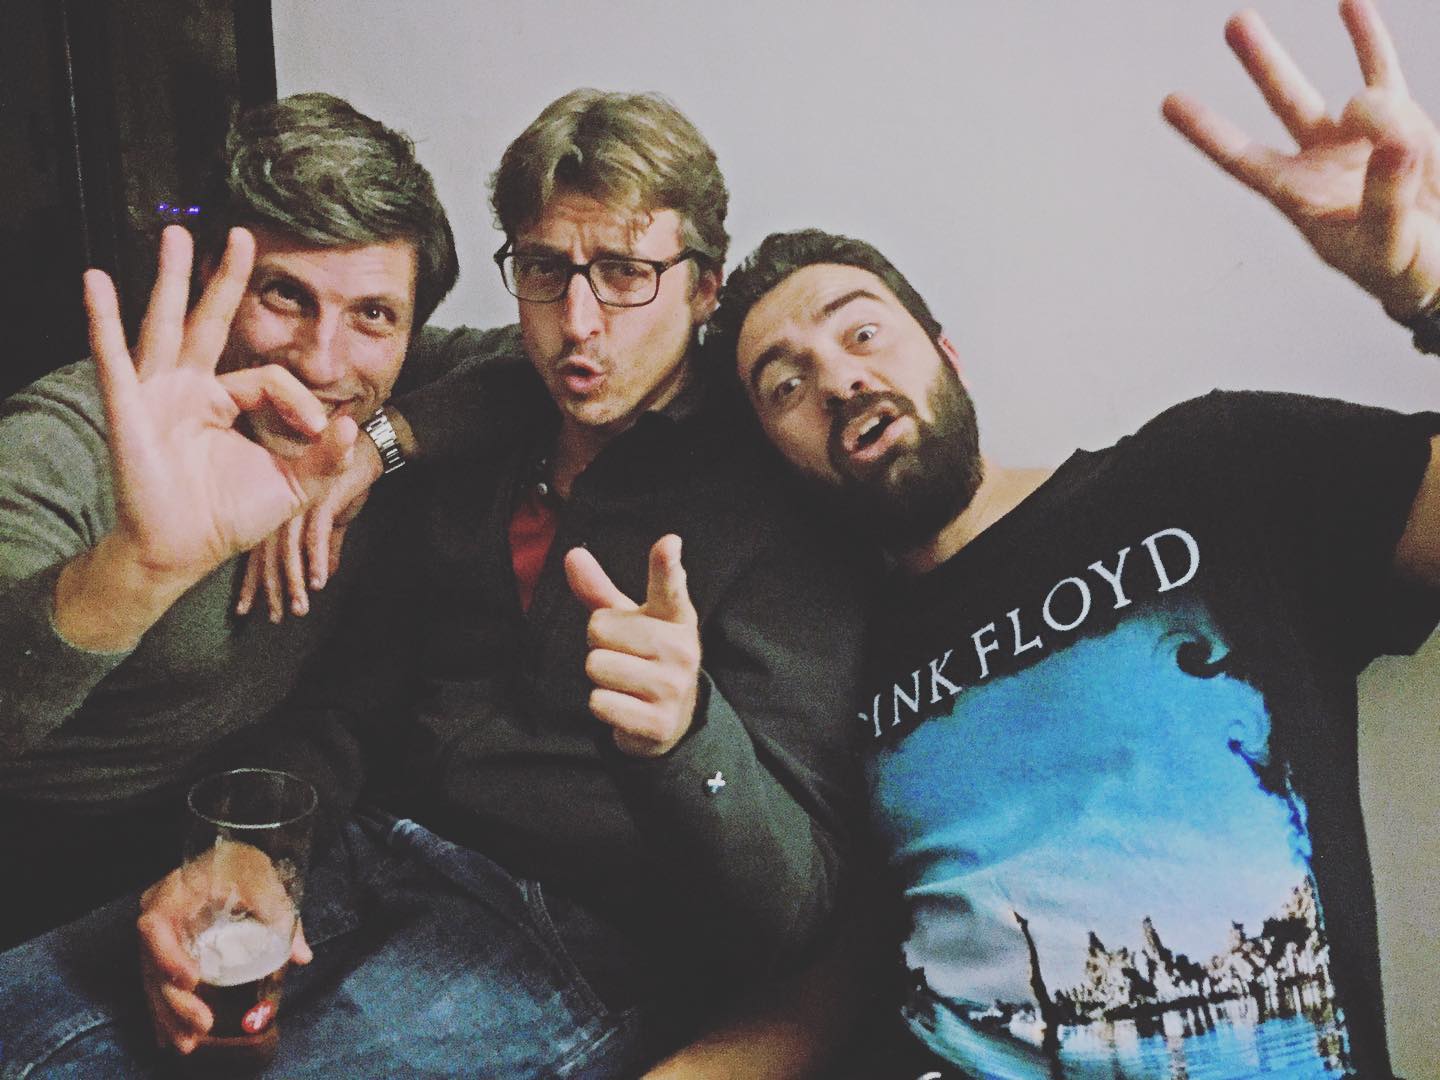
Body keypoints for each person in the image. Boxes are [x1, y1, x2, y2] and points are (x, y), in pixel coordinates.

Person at [0, 88, 868, 1078]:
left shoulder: (777, 490)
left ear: (705, 289)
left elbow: (803, 912)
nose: (578, 325)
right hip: (359, 848)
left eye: (627, 274)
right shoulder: (487, 427)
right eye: (544, 270)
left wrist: (686, 732)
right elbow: (356, 702)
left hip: (570, 932)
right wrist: (257, 847)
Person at [679, 1, 1439, 1076]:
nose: (839, 378)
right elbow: (828, 988)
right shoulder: (832, 663)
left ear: (946, 352)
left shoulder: (1208, 470)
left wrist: (1433, 290)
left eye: (863, 331)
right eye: (785, 385)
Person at [0, 92, 460, 948]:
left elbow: (541, 367)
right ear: (215, 281)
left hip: (238, 819)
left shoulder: (379, 396)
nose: (322, 362)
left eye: (372, 314)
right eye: (284, 295)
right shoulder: (64, 440)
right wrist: (137, 567)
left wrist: (379, 447)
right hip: (40, 861)